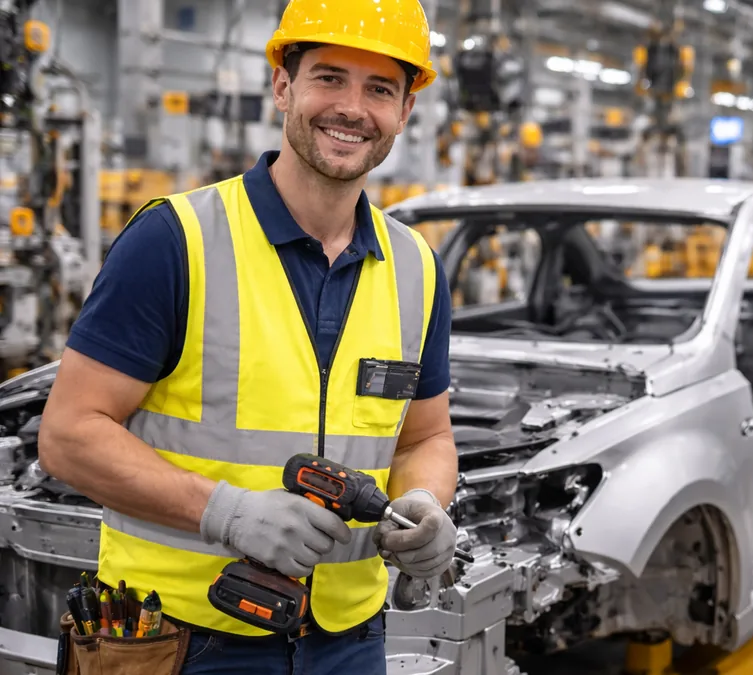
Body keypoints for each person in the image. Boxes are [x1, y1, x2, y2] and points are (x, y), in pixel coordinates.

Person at [36, 0, 459, 672]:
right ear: (283, 86)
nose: (352, 108)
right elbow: (67, 434)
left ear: (405, 111)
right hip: (182, 637)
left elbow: (425, 437)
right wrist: (226, 513)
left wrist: (425, 502)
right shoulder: (175, 240)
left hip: (349, 641)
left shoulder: (418, 268)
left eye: (380, 89)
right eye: (329, 77)